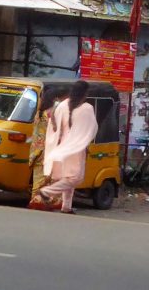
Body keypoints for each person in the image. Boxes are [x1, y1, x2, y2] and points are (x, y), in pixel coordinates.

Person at [39, 80, 98, 214]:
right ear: (84, 93)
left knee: (67, 177)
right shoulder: (87, 108)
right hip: (76, 148)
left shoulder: (62, 105)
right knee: (74, 178)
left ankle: (66, 206)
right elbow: (92, 129)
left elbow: (53, 125)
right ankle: (47, 192)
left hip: (62, 146)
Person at [27, 87, 65, 210]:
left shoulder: (38, 113)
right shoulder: (53, 113)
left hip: (37, 151)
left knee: (38, 179)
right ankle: (50, 202)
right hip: (50, 150)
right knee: (53, 179)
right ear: (55, 99)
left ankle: (36, 201)